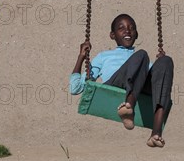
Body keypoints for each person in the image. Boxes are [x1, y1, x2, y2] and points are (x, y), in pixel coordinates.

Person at [70, 14, 174, 147]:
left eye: (132, 28)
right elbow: (75, 88)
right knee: (141, 54)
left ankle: (156, 133)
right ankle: (128, 107)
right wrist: (81, 57)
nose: (127, 31)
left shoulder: (144, 62)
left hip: (139, 89)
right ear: (112, 35)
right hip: (116, 83)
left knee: (165, 61)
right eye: (121, 28)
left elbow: (158, 85)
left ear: (136, 34)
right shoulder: (104, 56)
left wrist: (160, 64)